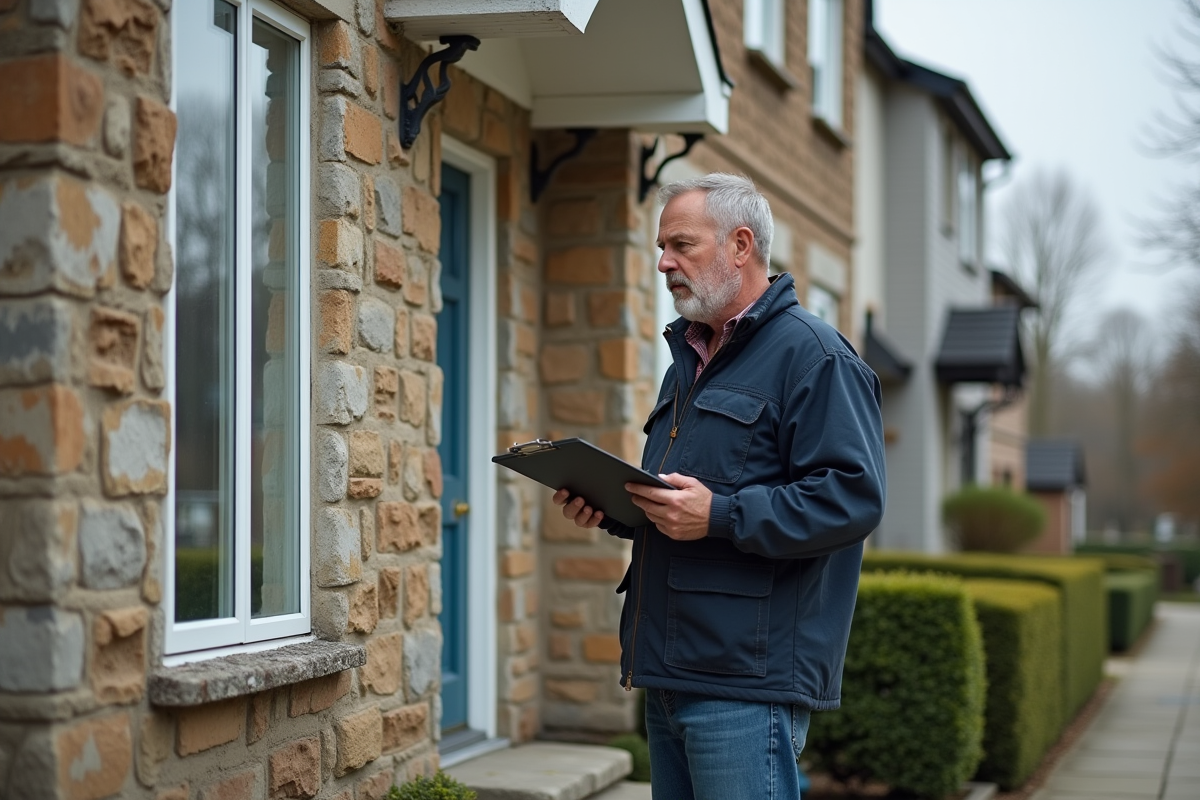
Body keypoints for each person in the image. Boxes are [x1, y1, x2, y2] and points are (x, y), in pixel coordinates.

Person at [552, 173, 886, 800]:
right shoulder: (691, 361)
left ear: (740, 245)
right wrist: (616, 508)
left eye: (681, 244)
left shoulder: (815, 357)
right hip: (669, 675)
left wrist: (723, 515)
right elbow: (688, 500)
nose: (662, 263)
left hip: (744, 687)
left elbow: (853, 496)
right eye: (661, 247)